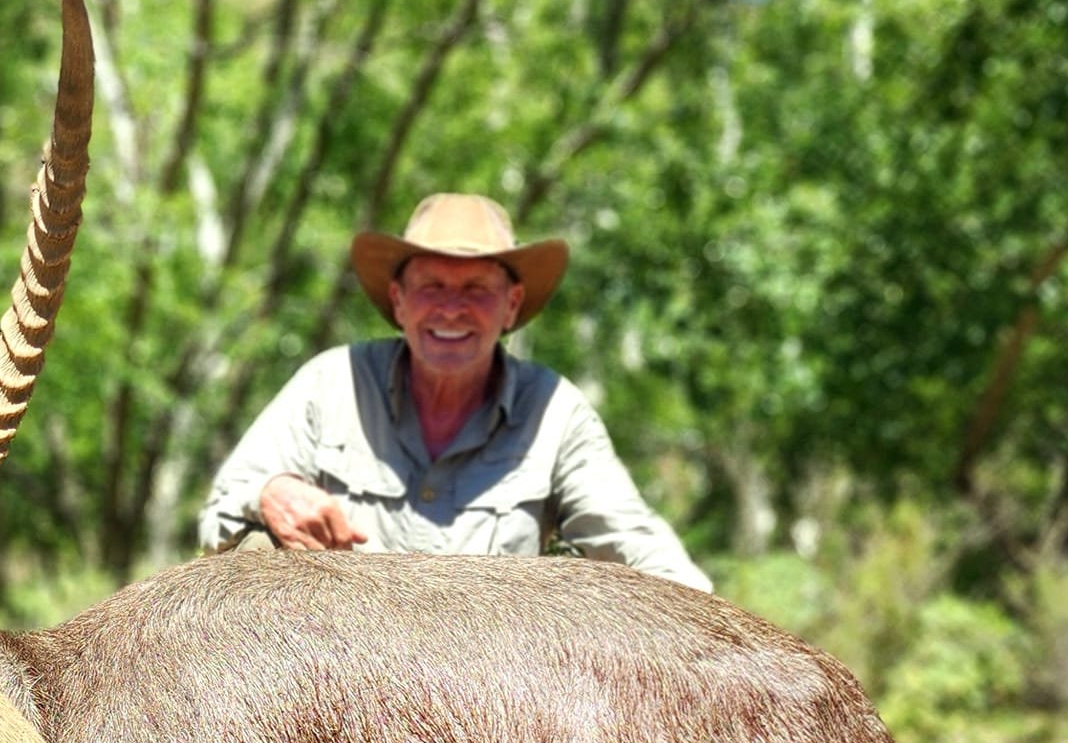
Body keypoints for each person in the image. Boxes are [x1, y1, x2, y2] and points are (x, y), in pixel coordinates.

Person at [197, 192, 711, 591]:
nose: (450, 309)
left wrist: (721, 633)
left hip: (490, 688)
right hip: (337, 670)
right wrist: (269, 495)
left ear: (511, 306)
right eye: (432, 287)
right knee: (254, 554)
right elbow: (218, 518)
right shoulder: (331, 384)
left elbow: (632, 541)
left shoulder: (554, 412)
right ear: (398, 301)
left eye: (475, 290)